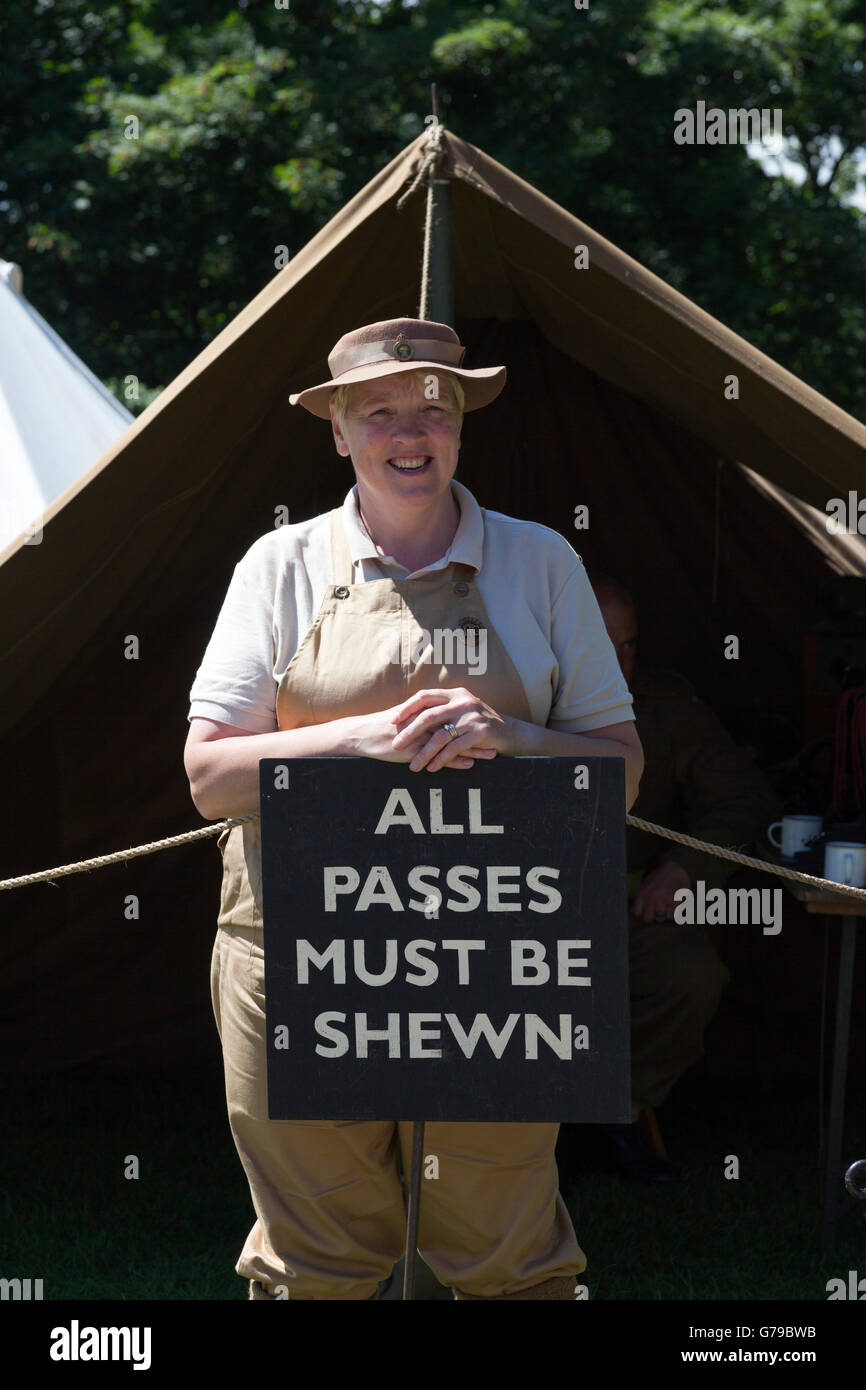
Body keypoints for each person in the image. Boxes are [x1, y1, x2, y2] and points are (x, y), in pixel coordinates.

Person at [184, 318, 644, 1301]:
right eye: (380, 410)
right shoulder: (279, 567)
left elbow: (619, 775)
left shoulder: (540, 564)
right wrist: (356, 740)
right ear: (338, 431)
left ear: (461, 426)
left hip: (496, 957)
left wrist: (517, 738)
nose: (411, 429)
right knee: (316, 1259)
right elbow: (210, 776)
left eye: (435, 406)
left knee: (507, 1255)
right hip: (303, 952)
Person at [579, 575, 779, 1182]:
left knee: (689, 973)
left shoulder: (663, 706)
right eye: (597, 643)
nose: (616, 663)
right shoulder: (510, 699)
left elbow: (745, 800)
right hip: (517, 912)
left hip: (625, 905)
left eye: (629, 646)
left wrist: (683, 868)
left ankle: (611, 1112)